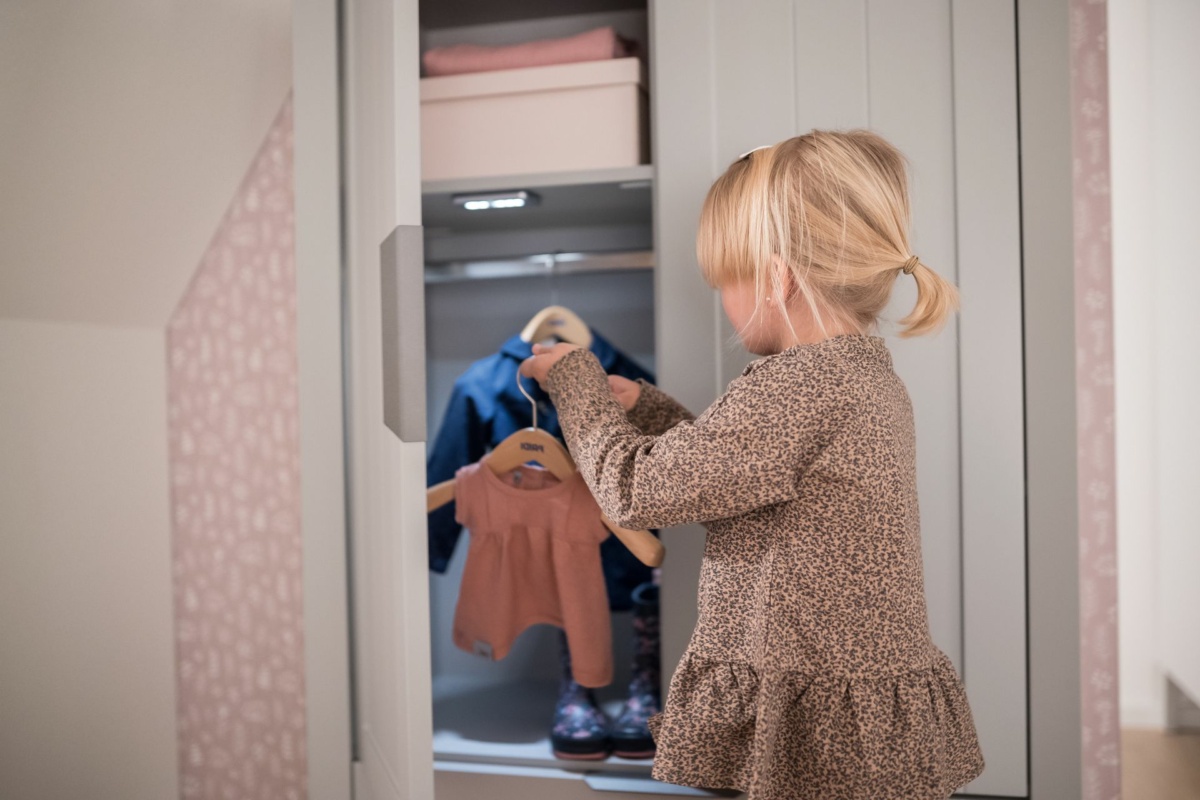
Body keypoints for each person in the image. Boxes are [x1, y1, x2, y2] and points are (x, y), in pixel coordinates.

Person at [519, 130, 985, 799]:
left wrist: (579, 388)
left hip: (819, 709)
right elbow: (740, 475)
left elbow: (638, 489)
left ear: (776, 276)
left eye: (725, 283)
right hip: (849, 691)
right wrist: (647, 408)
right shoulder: (857, 372)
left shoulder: (795, 384)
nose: (724, 302)